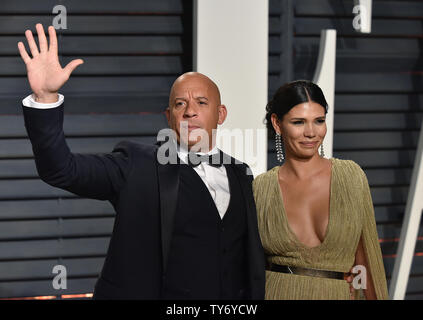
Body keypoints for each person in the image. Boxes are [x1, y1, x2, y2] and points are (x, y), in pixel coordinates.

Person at [18, 23, 265, 300]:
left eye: (202, 102)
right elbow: (62, 170)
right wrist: (45, 98)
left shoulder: (240, 172)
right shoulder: (135, 165)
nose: (190, 112)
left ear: (220, 114)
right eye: (180, 104)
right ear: (168, 116)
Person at [252, 80, 389, 300]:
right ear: (277, 124)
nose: (311, 132)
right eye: (298, 122)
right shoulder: (261, 188)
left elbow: (367, 262)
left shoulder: (350, 177)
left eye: (319, 121)